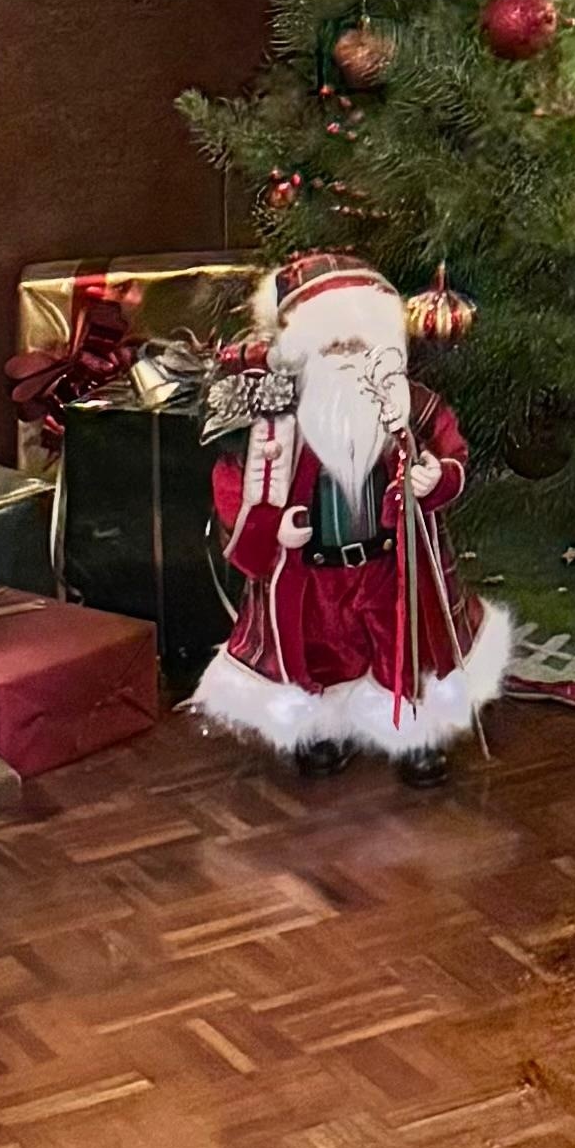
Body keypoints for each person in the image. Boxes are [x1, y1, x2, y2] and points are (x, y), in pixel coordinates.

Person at [189, 256, 509, 778]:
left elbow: (452, 449)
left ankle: (415, 735)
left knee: (404, 648)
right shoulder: (269, 414)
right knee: (319, 655)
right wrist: (273, 528)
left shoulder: (412, 405)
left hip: (390, 563)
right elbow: (231, 482)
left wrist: (436, 476)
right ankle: (323, 733)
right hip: (312, 571)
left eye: (361, 342)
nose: (350, 356)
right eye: (335, 344)